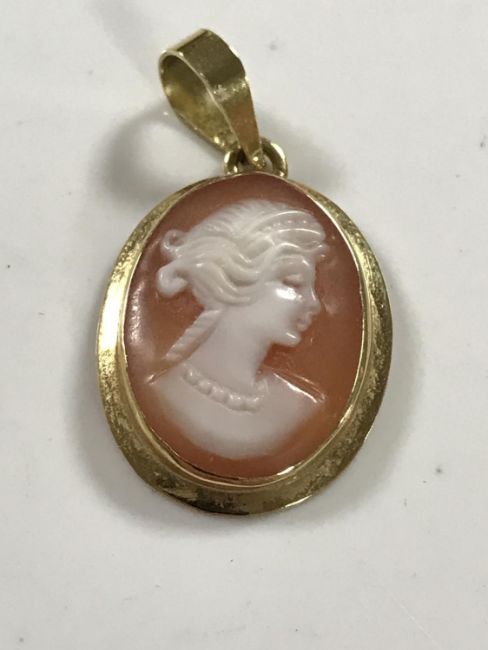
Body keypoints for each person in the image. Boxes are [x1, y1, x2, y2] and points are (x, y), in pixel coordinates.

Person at [149, 199, 326, 459]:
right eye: (293, 283)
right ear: (229, 281)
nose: (314, 303)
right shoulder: (162, 394)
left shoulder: (299, 404)